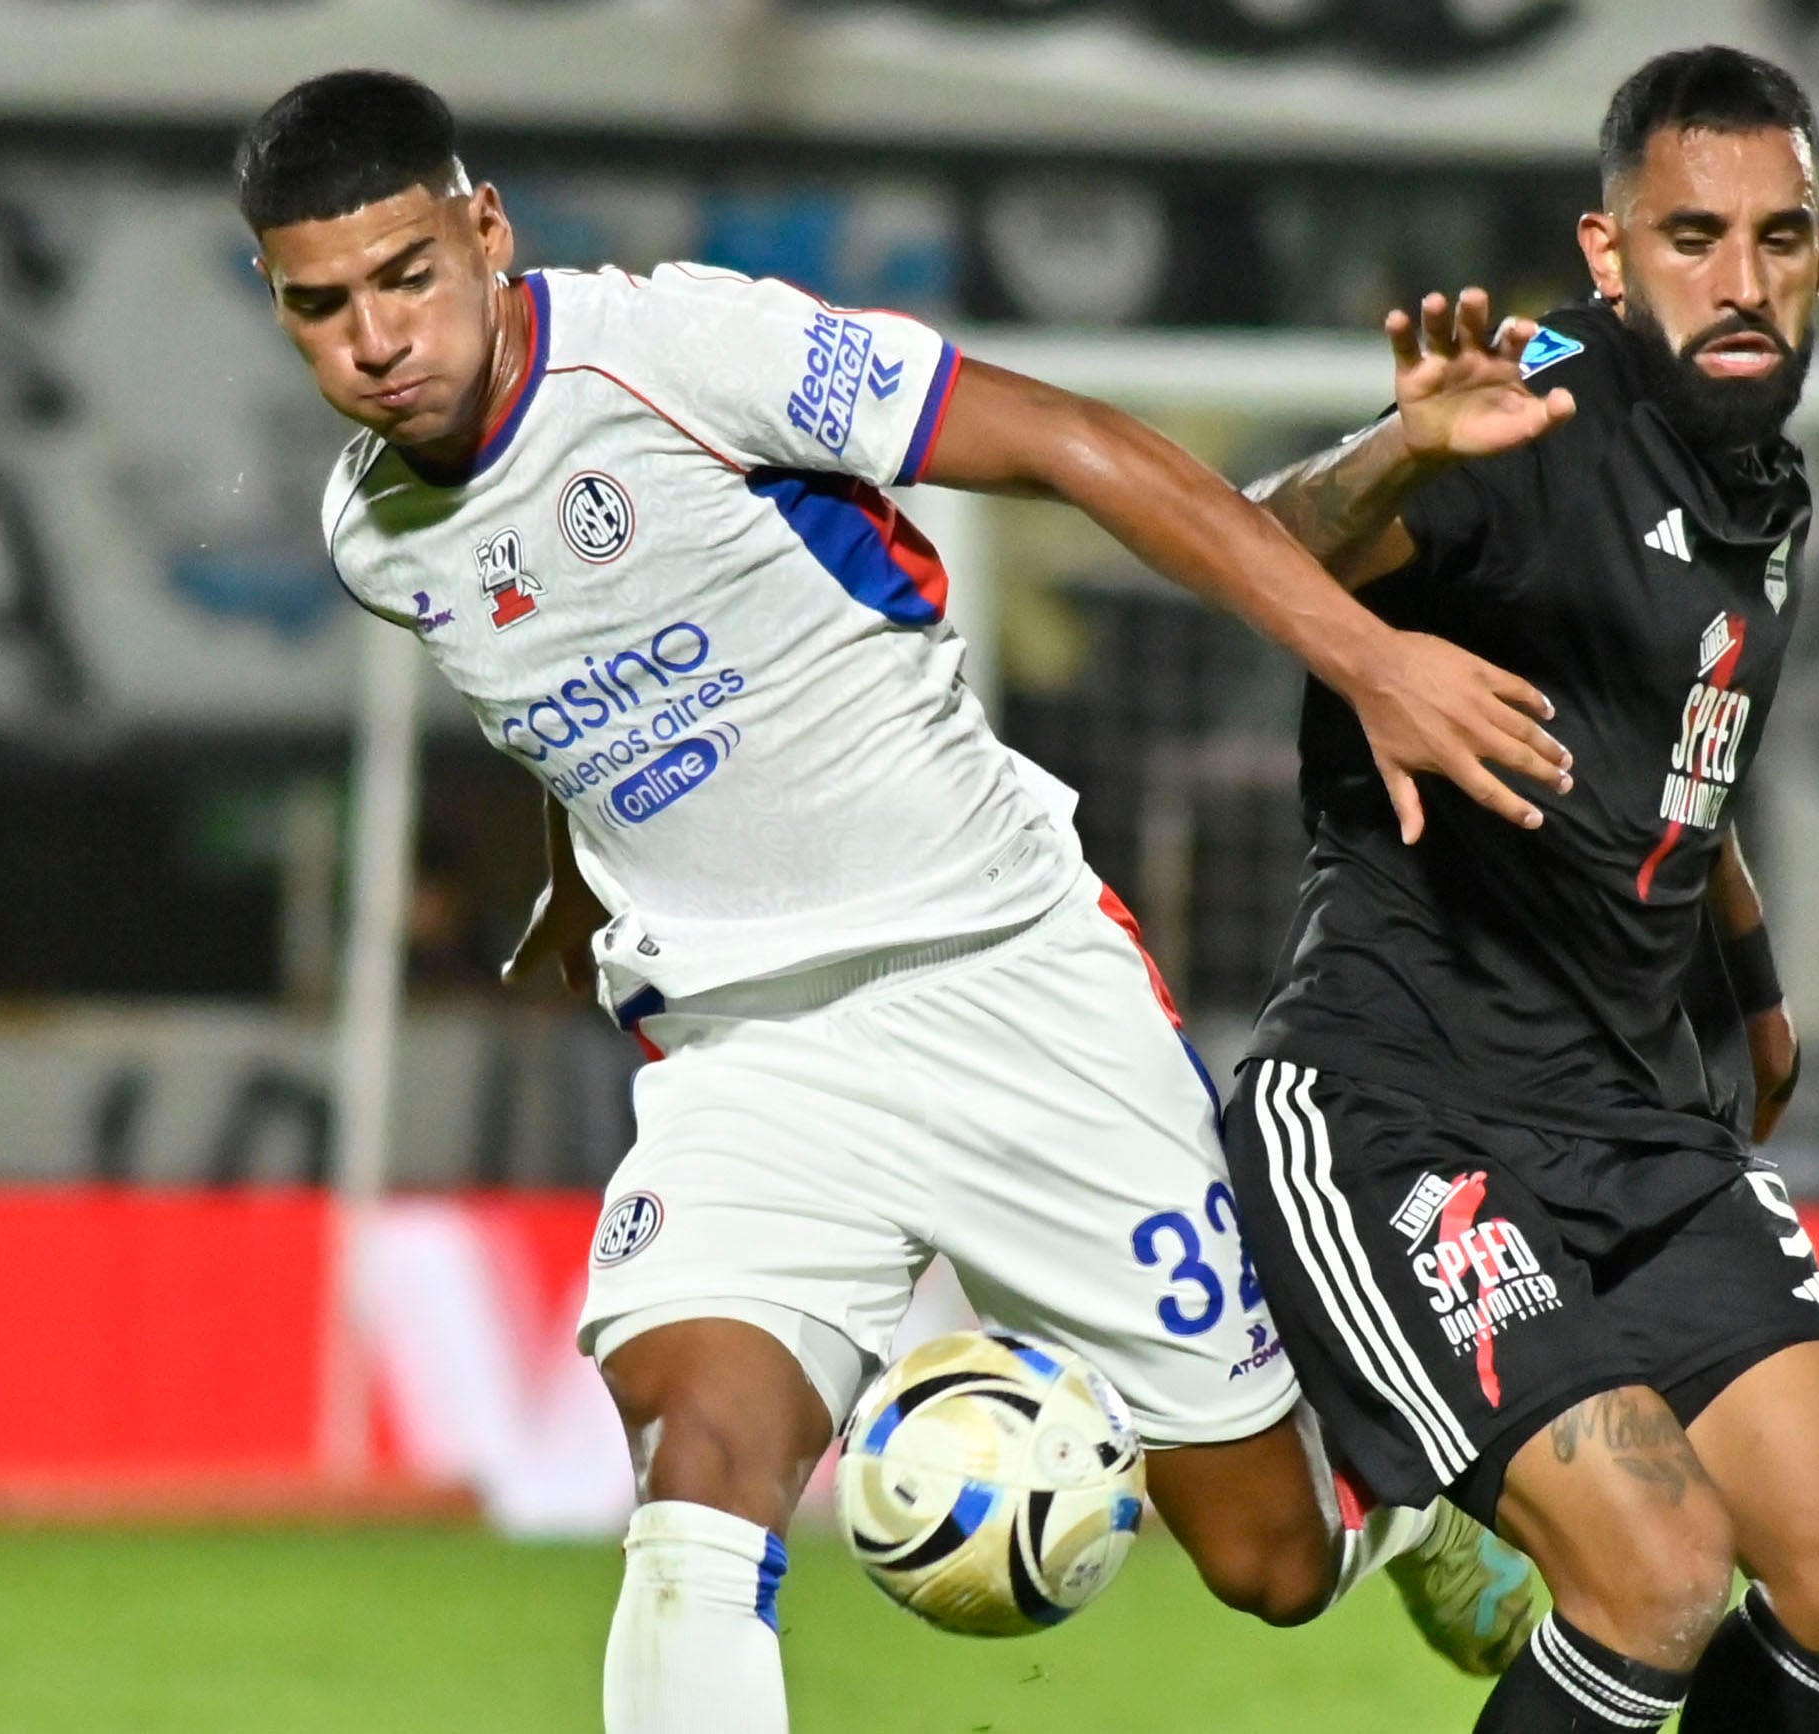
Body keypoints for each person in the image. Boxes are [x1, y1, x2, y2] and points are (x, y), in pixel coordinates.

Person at [235, 68, 1567, 1734]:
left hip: (1004, 977)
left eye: (405, 276)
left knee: (1268, 1558)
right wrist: (586, 870)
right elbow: (594, 676)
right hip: (747, 1056)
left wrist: (1368, 657)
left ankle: (1417, 1518)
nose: (372, 339)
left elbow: (1076, 444)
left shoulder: (678, 353)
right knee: (694, 1484)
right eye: (320, 306)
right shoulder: (377, 533)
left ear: (485, 231)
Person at [1226, 45, 1819, 1734]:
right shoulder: (1524, 414)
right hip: (1405, 1106)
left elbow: (1683, 765)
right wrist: (1394, 462)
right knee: (1658, 1573)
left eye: (1779, 236)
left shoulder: (1759, 478)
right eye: (1692, 237)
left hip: (1630, 1122)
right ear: (1607, 257)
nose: (1741, 279)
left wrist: (1750, 989)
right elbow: (1265, 542)